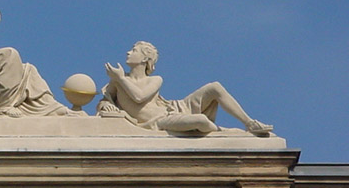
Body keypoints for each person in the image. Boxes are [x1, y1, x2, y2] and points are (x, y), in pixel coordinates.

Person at [99, 41, 273, 136]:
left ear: (145, 59)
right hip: (159, 122)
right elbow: (104, 102)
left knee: (215, 87)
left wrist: (120, 78)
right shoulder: (118, 81)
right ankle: (225, 132)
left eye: (134, 50)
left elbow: (139, 97)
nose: (128, 53)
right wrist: (105, 104)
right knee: (201, 121)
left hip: (173, 111)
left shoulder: (154, 79)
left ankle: (249, 124)